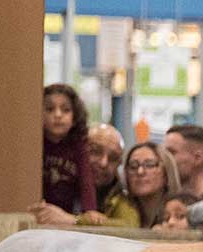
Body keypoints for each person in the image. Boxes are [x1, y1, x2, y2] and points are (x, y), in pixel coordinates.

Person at [31, 123, 136, 228]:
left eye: (113, 158)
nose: (103, 163)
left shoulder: (120, 194)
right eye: (96, 151)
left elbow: (129, 225)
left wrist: (73, 220)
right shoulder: (56, 182)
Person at [38, 84, 96, 216]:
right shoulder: (34, 144)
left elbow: (86, 181)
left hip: (66, 216)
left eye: (65, 110)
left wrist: (90, 211)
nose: (58, 115)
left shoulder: (79, 146)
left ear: (75, 117)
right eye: (50, 109)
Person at [119, 141, 181, 230]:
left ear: (166, 172)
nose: (140, 172)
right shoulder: (121, 212)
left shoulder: (180, 214)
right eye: (133, 166)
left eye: (149, 165)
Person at [162, 124, 203, 198]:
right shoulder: (158, 203)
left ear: (197, 158)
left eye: (171, 153)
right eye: (163, 153)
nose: (163, 159)